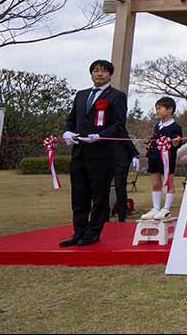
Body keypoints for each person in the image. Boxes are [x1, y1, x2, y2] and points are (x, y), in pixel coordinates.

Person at [59, 59, 128, 247]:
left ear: (110, 75)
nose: (99, 74)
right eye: (96, 70)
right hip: (80, 152)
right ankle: (78, 231)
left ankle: (93, 232)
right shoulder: (81, 95)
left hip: (102, 153)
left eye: (104, 71)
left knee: (99, 195)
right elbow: (72, 118)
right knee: (79, 195)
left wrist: (100, 135)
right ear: (91, 73)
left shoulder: (116, 96)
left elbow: (119, 124)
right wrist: (67, 132)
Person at [141, 97, 183, 220]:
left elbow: (178, 142)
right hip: (154, 156)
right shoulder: (157, 126)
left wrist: (176, 142)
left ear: (170, 109)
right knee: (155, 183)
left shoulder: (175, 126)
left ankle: (166, 208)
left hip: (167, 159)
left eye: (160, 108)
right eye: (156, 108)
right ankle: (155, 207)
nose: (157, 111)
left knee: (168, 182)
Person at [112, 140, 140, 222]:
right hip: (104, 158)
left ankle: (122, 216)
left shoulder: (118, 127)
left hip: (121, 159)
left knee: (120, 186)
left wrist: (134, 155)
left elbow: (124, 136)